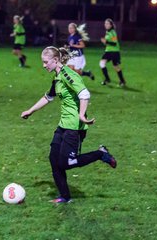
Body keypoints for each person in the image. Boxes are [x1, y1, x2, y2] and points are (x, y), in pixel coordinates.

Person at [21, 46, 117, 203]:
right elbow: (48, 97)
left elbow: (84, 93)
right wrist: (30, 111)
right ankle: (65, 197)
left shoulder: (68, 74)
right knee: (54, 160)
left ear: (55, 60)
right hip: (63, 125)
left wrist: (81, 115)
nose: (44, 65)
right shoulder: (57, 77)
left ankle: (100, 154)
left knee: (67, 163)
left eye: (46, 62)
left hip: (75, 127)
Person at [100, 18, 126, 87]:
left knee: (102, 63)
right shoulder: (108, 32)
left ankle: (108, 79)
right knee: (116, 66)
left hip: (112, 51)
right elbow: (109, 43)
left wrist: (106, 42)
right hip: (111, 51)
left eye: (107, 23)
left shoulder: (112, 32)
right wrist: (105, 42)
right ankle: (122, 81)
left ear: (111, 25)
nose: (106, 25)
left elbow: (114, 43)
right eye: (105, 23)